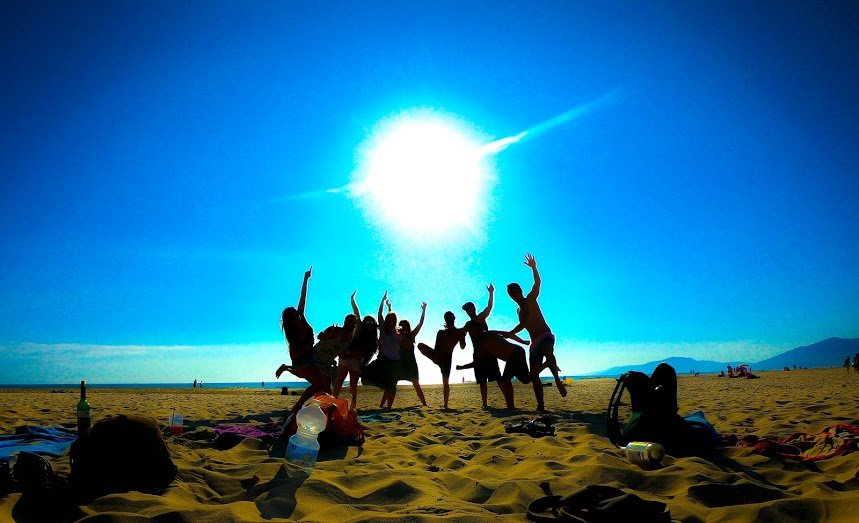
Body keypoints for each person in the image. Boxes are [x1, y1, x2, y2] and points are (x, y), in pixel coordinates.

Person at [504, 254, 567, 412]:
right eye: (511, 294)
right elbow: (523, 325)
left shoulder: (531, 299)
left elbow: (537, 283)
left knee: (548, 351)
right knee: (533, 376)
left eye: (516, 291)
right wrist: (511, 334)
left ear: (520, 291)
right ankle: (541, 406)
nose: (514, 295)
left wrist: (534, 267)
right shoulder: (518, 310)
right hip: (533, 342)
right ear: (510, 296)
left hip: (545, 335)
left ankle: (557, 380)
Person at [275, 266, 329, 419]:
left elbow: (302, 299)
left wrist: (306, 280)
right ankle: (298, 409)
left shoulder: (300, 322)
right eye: (295, 311)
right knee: (319, 385)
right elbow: (298, 356)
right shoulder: (296, 334)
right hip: (304, 362)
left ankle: (312, 408)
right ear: (292, 318)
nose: (297, 310)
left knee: (321, 385)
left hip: (305, 361)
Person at [457, 320, 531, 409]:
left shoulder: (490, 333)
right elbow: (478, 362)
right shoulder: (481, 345)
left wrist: (522, 341)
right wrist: (462, 367)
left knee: (505, 380)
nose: (474, 333)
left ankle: (510, 406)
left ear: (480, 329)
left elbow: (507, 334)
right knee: (526, 380)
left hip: (515, 353)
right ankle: (544, 365)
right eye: (471, 332)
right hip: (516, 354)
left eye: (475, 330)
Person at [332, 291, 379, 410]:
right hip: (346, 358)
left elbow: (366, 354)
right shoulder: (359, 330)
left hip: (356, 361)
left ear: (374, 325)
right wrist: (352, 300)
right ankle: (333, 403)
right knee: (339, 382)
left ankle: (353, 407)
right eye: (367, 321)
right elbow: (357, 314)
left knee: (353, 385)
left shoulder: (373, 340)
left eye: (371, 322)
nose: (368, 324)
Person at [462, 283, 503, 408]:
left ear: (473, 308)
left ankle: (508, 400)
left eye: (469, 309)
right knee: (482, 381)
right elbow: (461, 333)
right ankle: (485, 404)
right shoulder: (468, 324)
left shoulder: (481, 317)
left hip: (489, 351)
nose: (468, 312)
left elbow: (489, 307)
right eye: (466, 310)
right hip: (477, 353)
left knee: (497, 377)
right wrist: (462, 341)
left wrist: (491, 293)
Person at [361, 291, 403, 408]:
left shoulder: (398, 333)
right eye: (390, 319)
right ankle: (383, 386)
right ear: (387, 320)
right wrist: (383, 301)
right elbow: (379, 313)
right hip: (383, 360)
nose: (392, 321)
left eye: (394, 319)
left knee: (392, 386)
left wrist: (390, 308)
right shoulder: (383, 330)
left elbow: (405, 343)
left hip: (395, 362)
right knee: (364, 373)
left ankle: (389, 407)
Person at [418, 311, 466, 409]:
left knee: (445, 382)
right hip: (438, 356)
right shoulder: (441, 332)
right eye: (447, 318)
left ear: (453, 318)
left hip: (447, 359)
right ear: (446, 320)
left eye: (450, 318)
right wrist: (437, 356)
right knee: (420, 345)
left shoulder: (458, 332)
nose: (449, 320)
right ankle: (445, 404)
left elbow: (462, 346)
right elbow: (436, 347)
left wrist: (463, 337)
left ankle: (445, 404)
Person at [396, 303, 428, 407]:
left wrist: (424, 310)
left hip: (411, 364)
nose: (404, 328)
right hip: (400, 364)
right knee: (391, 384)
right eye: (402, 326)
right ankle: (384, 406)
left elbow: (421, 323)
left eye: (406, 326)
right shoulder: (397, 337)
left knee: (416, 385)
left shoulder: (412, 335)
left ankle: (424, 404)